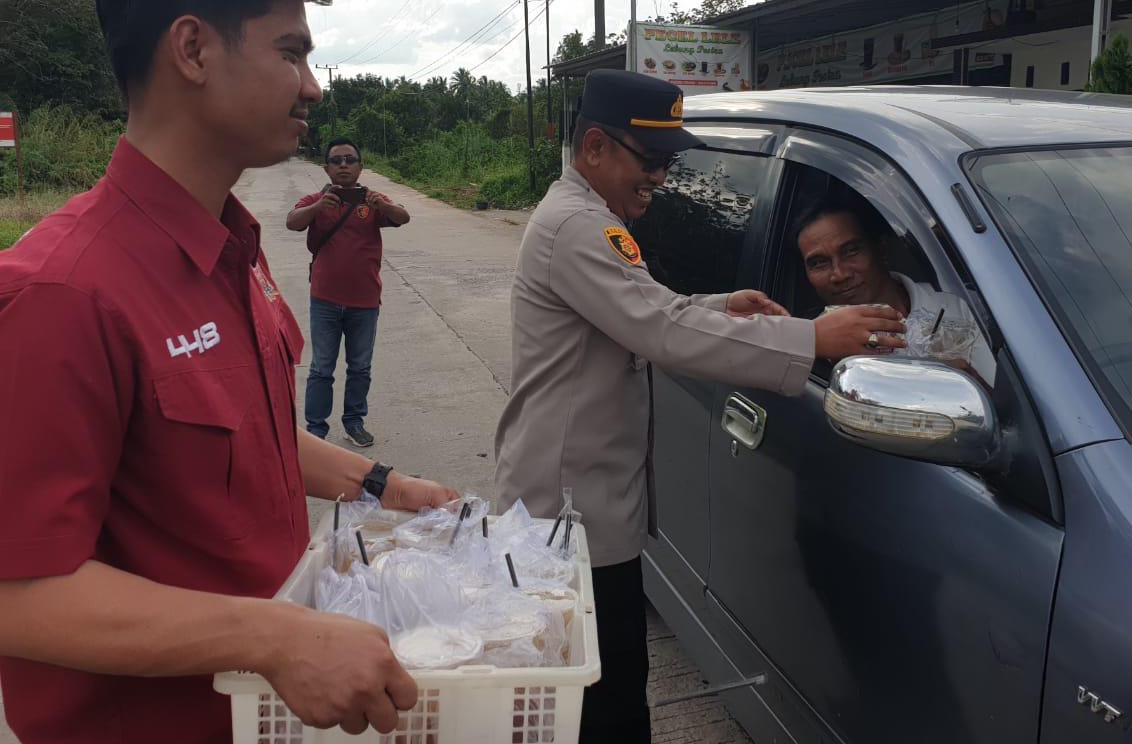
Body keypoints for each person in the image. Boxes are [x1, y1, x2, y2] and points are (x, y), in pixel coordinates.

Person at [0, 0, 460, 744]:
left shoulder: (232, 252)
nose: (314, 88)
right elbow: (21, 595)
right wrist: (273, 636)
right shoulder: (62, 292)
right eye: (291, 53)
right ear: (193, 49)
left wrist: (384, 486)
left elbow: (242, 437)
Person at [494, 69, 910, 744]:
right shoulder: (578, 225)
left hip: (584, 502)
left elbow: (642, 310)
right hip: (571, 513)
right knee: (602, 705)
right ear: (596, 147)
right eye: (651, 161)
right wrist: (811, 336)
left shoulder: (584, 218)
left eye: (668, 163)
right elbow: (659, 333)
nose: (660, 178)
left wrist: (721, 303)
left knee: (605, 687)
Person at [794, 195, 997, 385]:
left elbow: (1005, 404)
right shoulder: (818, 343)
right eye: (819, 263)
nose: (839, 274)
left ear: (880, 249)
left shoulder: (956, 305)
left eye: (851, 251)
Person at [287, 137, 408, 447]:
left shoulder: (372, 200)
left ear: (360, 166)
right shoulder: (316, 199)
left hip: (365, 302)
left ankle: (354, 422)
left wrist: (384, 205)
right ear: (326, 168)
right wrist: (317, 207)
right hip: (324, 301)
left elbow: (402, 216)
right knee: (321, 368)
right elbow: (291, 222)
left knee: (360, 368)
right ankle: (316, 430)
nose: (343, 165)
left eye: (349, 160)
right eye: (337, 160)